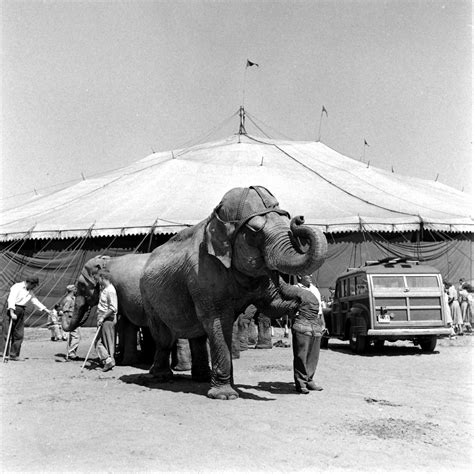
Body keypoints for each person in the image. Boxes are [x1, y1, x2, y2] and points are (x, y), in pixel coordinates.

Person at [288, 276, 326, 394]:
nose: (310, 276)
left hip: (315, 322)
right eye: (307, 273)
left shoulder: (315, 289)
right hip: (302, 321)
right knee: (301, 353)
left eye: (311, 273)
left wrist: (323, 323)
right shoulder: (294, 289)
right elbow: (289, 307)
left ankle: (309, 379)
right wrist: (294, 319)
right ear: (299, 275)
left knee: (313, 354)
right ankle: (301, 383)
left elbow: (320, 310)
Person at [4, 276, 51, 361]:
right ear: (29, 283)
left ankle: (14, 355)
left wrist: (46, 310)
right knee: (7, 333)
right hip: (12, 309)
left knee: (19, 334)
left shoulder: (30, 291)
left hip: (21, 310)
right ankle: (2, 354)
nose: (34, 287)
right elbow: (11, 299)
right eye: (34, 285)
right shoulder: (17, 286)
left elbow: (35, 301)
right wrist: (11, 312)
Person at [94, 270, 118, 372]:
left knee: (99, 342)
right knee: (103, 341)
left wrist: (102, 317)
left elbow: (113, 308)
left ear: (102, 278)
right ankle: (108, 361)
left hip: (106, 319)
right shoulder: (105, 289)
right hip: (103, 318)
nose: (98, 281)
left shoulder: (110, 290)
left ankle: (108, 361)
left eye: (98, 278)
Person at [60, 284, 81, 359]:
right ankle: (71, 353)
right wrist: (67, 321)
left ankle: (72, 353)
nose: (76, 290)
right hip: (70, 319)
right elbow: (65, 310)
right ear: (72, 290)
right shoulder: (69, 299)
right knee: (76, 336)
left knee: (73, 336)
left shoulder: (72, 298)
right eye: (75, 289)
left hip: (72, 318)